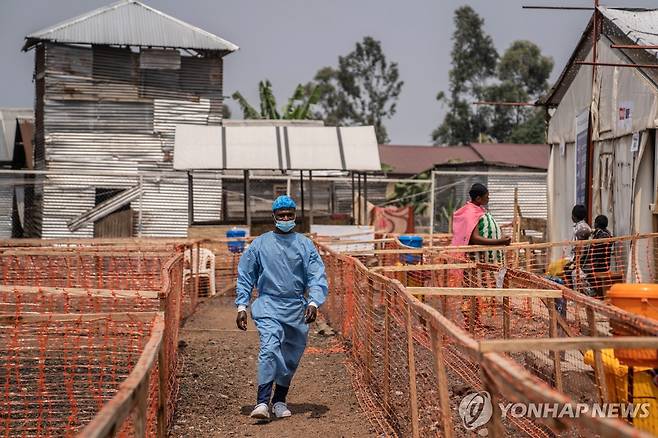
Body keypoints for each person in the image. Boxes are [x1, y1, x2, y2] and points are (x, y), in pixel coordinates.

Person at [235, 195, 328, 421]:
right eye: (281, 215)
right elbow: (246, 275)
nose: (285, 218)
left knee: (290, 357)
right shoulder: (260, 244)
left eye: (289, 215)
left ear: (295, 216)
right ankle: (261, 402)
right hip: (268, 303)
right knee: (269, 346)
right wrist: (241, 306)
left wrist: (314, 302)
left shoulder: (305, 245)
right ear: (274, 217)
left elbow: (317, 275)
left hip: (296, 306)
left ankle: (279, 400)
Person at [451, 183, 511, 262]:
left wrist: (500, 237)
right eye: (486, 197)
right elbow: (475, 238)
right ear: (478, 198)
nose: (488, 198)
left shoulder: (478, 209)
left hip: (487, 256)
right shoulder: (471, 212)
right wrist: (499, 242)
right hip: (479, 258)